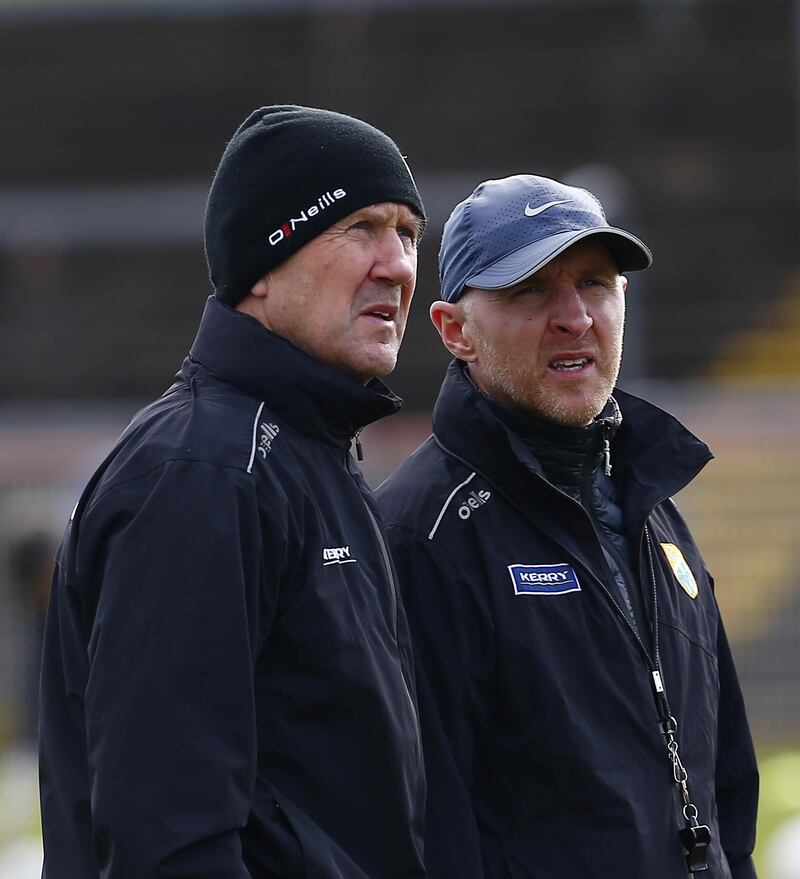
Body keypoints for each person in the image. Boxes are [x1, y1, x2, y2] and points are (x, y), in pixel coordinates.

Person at [39, 105, 427, 879]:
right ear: (264, 259)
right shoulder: (204, 475)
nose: (398, 265)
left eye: (409, 233)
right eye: (360, 228)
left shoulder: (305, 455)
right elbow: (169, 835)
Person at [376, 174, 759, 878]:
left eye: (595, 282)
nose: (574, 316)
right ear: (454, 329)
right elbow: (426, 834)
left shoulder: (656, 506)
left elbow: (725, 787)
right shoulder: (419, 537)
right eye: (530, 290)